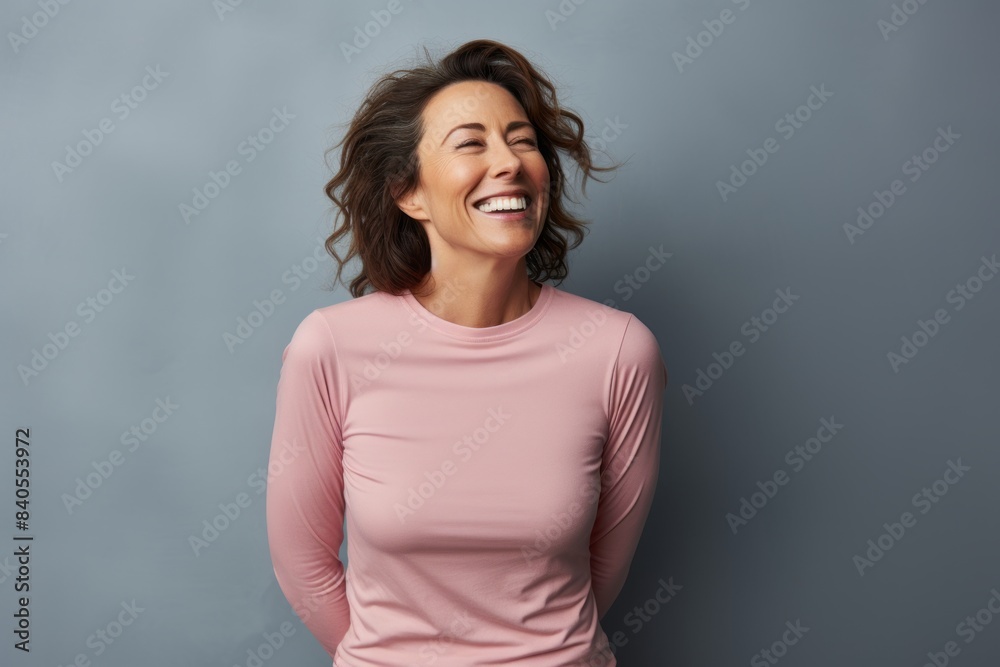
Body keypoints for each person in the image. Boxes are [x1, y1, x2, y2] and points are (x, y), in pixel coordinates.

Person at [265, 38, 668, 666]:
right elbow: (303, 561)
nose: (509, 163)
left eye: (523, 140)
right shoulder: (332, 348)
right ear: (409, 194)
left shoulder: (618, 351)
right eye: (471, 143)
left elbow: (600, 573)